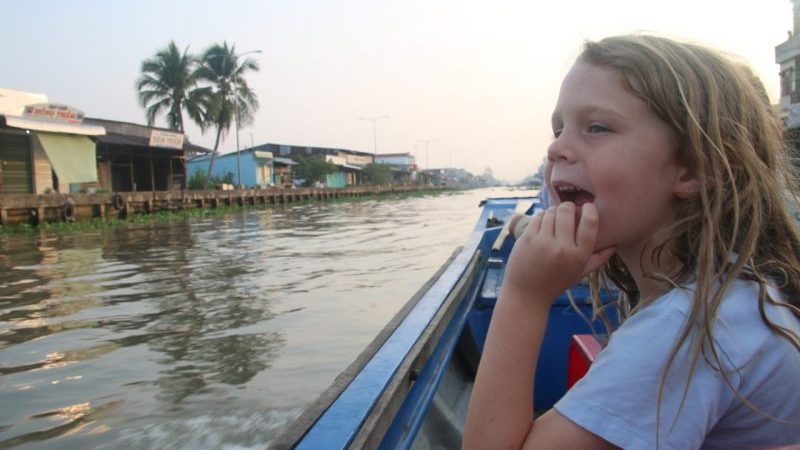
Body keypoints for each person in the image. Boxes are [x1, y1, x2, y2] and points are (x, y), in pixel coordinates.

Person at [463, 34, 800, 450]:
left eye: (597, 128)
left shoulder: (688, 329)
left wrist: (524, 294)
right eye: (558, 129)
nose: (556, 149)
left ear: (692, 169)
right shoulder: (731, 291)